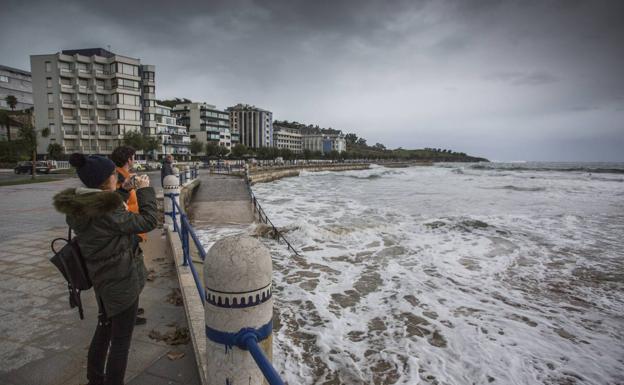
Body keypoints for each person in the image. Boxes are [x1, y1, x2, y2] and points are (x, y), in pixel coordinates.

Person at [53, 153, 157, 385]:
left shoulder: (82, 206)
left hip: (102, 276)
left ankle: (95, 378)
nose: (117, 176)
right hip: (120, 278)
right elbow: (148, 221)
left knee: (105, 328)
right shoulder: (108, 211)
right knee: (120, 341)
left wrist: (122, 190)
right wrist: (144, 190)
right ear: (105, 180)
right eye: (114, 174)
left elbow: (105, 215)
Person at [111, 145, 147, 326]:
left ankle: (132, 308)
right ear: (129, 159)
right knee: (134, 275)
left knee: (136, 273)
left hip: (132, 228)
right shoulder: (117, 178)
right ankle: (129, 313)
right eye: (134, 157)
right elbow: (119, 204)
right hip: (129, 229)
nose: (135, 160)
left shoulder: (124, 176)